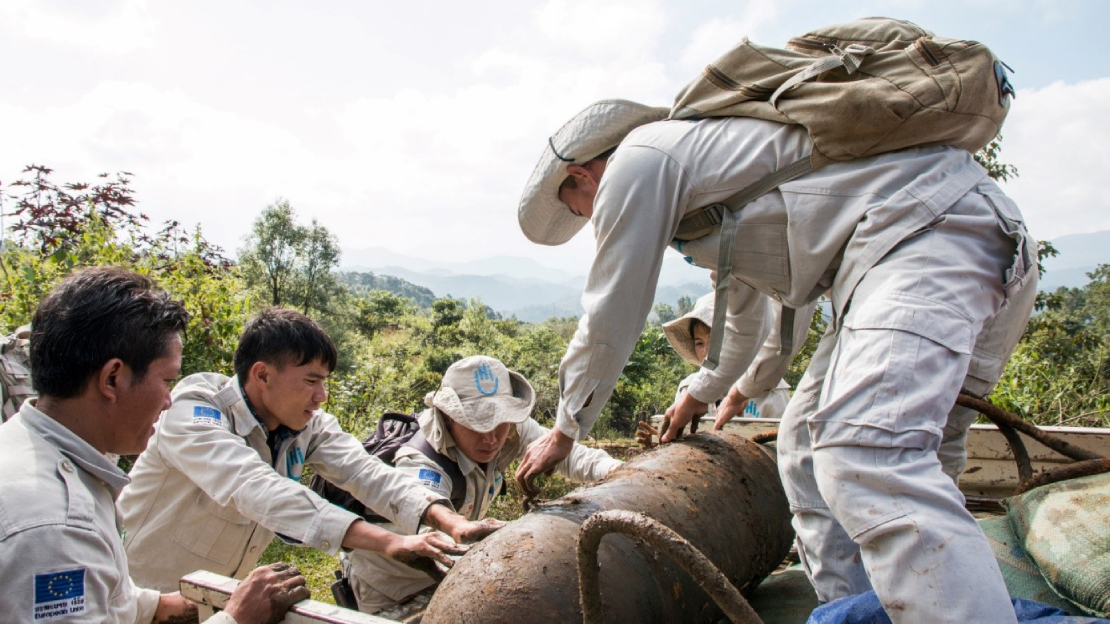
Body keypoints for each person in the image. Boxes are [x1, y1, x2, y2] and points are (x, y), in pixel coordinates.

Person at [513, 99, 1038, 622]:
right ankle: (856, 612)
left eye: (579, 208)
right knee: (805, 444)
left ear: (582, 175)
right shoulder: (717, 187)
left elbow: (612, 310)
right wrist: (719, 389)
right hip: (945, 247)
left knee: (866, 450)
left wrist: (565, 430)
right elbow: (756, 321)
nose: (590, 218)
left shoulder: (640, 160)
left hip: (930, 239)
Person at [0, 266, 309, 624]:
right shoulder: (58, 528)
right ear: (112, 378)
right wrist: (236, 618)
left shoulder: (29, 446)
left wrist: (177, 605)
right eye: (166, 381)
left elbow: (111, 600)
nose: (167, 402)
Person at [119, 308, 501, 593]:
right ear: (262, 375)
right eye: (311, 382)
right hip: (143, 592)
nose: (321, 397)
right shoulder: (196, 407)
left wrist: (452, 523)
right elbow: (256, 488)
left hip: (219, 596)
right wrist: (390, 541)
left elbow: (366, 472)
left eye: (325, 383)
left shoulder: (305, 425)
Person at [343, 355, 622, 614]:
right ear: (450, 418)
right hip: (392, 585)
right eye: (477, 425)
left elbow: (568, 455)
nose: (490, 438)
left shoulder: (511, 427)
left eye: (498, 423)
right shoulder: (421, 464)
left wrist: (619, 471)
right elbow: (436, 535)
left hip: (451, 573)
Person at [662, 292, 794, 428]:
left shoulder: (771, 389)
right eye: (699, 343)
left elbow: (779, 441)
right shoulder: (687, 388)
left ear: (735, 344)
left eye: (715, 341)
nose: (706, 351)